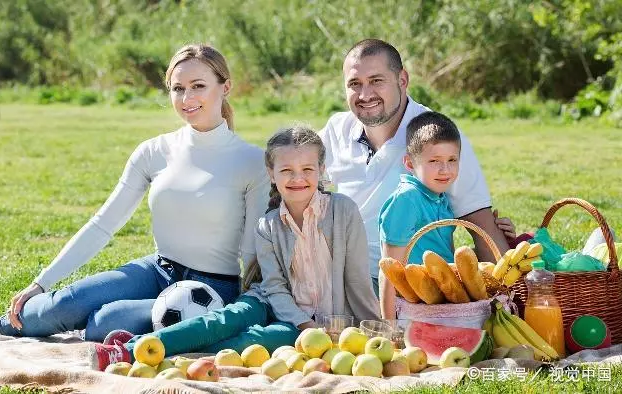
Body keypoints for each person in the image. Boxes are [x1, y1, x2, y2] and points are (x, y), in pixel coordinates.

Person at [0, 44, 270, 341]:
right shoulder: (153, 151)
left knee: (105, 322)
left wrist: (243, 311)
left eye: (198, 86)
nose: (187, 98)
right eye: (177, 88)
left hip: (212, 289)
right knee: (63, 305)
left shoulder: (252, 162)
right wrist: (41, 283)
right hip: (157, 269)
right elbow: (103, 223)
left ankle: (92, 328)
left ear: (226, 87)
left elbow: (252, 252)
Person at [88, 125, 381, 371]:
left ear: (321, 169)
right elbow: (275, 287)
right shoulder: (267, 225)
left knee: (246, 343)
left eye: (307, 169)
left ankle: (154, 345)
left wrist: (375, 326)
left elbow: (355, 277)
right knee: (221, 321)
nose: (298, 178)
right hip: (271, 302)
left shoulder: (343, 211)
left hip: (312, 325)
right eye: (287, 170)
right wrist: (304, 322)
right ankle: (126, 349)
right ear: (271, 172)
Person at [319, 39, 513, 295]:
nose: (365, 95)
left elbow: (479, 221)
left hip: (411, 287)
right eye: (355, 84)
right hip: (338, 276)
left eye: (377, 80)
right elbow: (291, 177)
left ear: (402, 80)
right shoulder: (337, 130)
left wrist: (507, 299)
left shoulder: (436, 137)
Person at [378, 111, 515, 318]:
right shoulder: (407, 200)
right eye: (434, 161)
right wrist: (389, 327)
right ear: (409, 164)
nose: (445, 170)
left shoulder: (439, 196)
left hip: (444, 297)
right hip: (416, 305)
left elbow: (445, 254)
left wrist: (501, 235)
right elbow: (388, 273)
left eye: (452, 160)